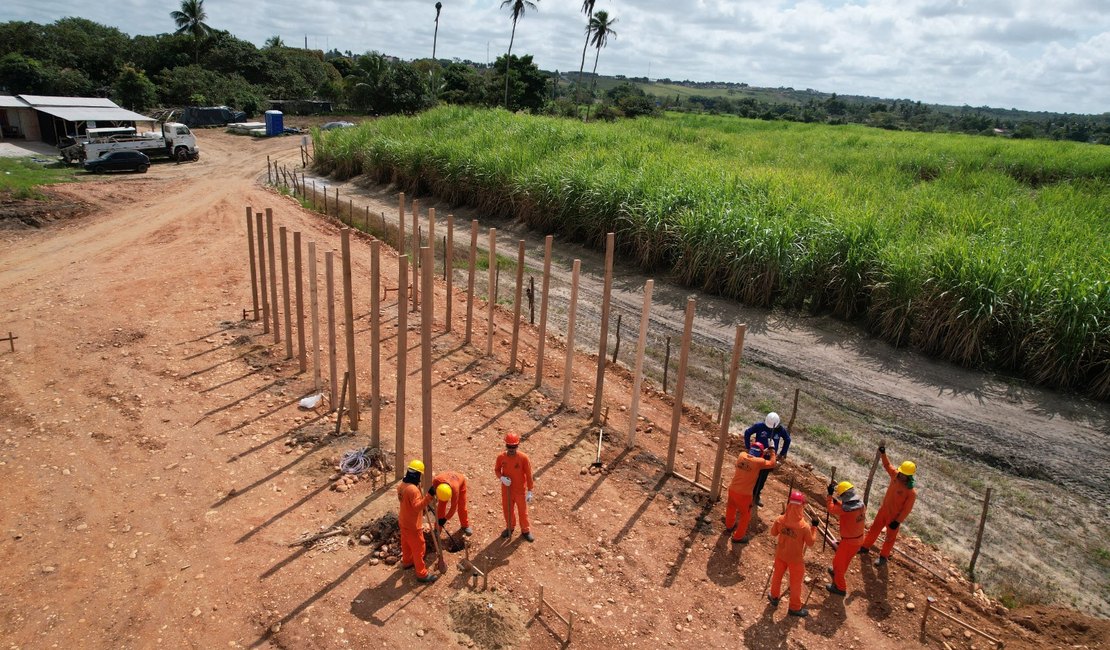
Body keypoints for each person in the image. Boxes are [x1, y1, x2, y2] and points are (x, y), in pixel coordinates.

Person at [859, 445, 917, 567]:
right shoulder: (895, 475)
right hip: (883, 511)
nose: (901, 475)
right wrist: (883, 453)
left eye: (904, 474)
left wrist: (898, 521)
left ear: (909, 476)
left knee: (889, 538)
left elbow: (907, 509)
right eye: (901, 472)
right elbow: (887, 465)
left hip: (894, 518)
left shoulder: (910, 492)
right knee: (873, 530)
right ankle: (865, 547)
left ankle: (883, 556)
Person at [768, 490, 819, 617]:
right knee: (795, 583)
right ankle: (795, 607)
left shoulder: (780, 520)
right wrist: (814, 528)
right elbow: (811, 542)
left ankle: (774, 597)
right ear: (801, 506)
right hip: (795, 559)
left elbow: (773, 533)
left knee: (777, 577)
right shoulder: (804, 527)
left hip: (780, 555)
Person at [725, 442, 776, 544]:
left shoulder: (741, 455)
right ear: (760, 454)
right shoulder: (759, 462)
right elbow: (772, 463)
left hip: (732, 489)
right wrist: (772, 452)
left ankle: (729, 526)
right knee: (745, 515)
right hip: (744, 494)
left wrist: (762, 451)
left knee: (731, 507)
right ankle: (738, 537)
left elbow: (751, 457)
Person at [396, 459, 438, 583]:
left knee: (406, 544)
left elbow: (408, 504)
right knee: (419, 548)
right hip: (413, 525)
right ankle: (421, 574)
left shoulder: (401, 486)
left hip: (403, 521)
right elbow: (417, 507)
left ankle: (407, 562)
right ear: (417, 474)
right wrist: (429, 496)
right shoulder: (413, 490)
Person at [825, 480, 867, 595]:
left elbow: (831, 509)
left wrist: (829, 496)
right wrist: (836, 501)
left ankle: (840, 588)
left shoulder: (846, 510)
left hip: (848, 542)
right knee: (845, 560)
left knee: (839, 563)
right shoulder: (861, 505)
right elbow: (846, 505)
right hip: (858, 540)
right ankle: (836, 572)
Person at [744, 412, 792, 507]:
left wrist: (782, 454)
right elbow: (747, 432)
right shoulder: (759, 426)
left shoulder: (780, 430)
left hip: (769, 458)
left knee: (763, 477)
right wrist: (748, 447)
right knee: (752, 474)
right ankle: (748, 492)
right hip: (757, 456)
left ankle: (756, 495)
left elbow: (788, 440)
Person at [494, 432, 535, 542]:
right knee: (507, 510)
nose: (511, 449)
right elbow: (497, 470)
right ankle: (510, 527)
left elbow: (529, 474)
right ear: (506, 445)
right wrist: (501, 478)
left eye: (514, 447)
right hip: (506, 489)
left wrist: (530, 490)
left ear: (517, 446)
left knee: (523, 511)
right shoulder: (501, 457)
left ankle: (525, 530)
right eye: (509, 446)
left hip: (520, 490)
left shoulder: (523, 458)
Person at [430, 470, 472, 536]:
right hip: (447, 482)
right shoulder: (436, 480)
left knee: (462, 506)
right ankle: (437, 528)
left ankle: (465, 525)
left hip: (460, 483)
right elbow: (429, 494)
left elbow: (453, 508)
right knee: (441, 507)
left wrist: (445, 519)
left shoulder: (455, 490)